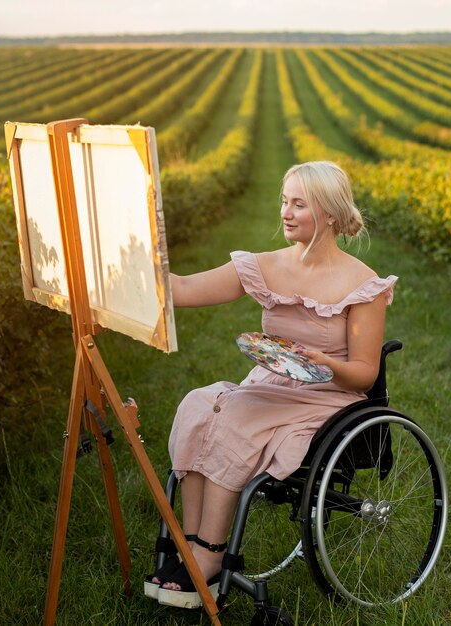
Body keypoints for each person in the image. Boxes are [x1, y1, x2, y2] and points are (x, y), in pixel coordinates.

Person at [147, 161, 398, 608]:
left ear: (330, 214)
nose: (285, 211)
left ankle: (210, 556)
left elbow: (365, 372)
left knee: (237, 418)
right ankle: (189, 543)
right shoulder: (264, 266)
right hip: (271, 381)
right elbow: (182, 288)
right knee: (198, 404)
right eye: (285, 201)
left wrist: (324, 362)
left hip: (328, 395)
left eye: (298, 204)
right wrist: (131, 271)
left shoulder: (362, 285)